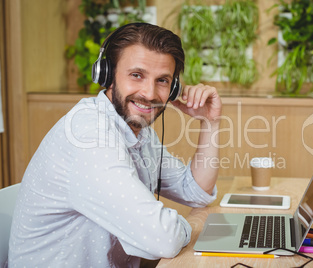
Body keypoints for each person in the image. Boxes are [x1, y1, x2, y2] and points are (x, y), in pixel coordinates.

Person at [8, 23, 221, 267]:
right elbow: (164, 238)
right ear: (107, 75)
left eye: (162, 80)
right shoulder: (89, 136)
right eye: (137, 75)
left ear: (173, 89)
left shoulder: (136, 130)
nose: (150, 93)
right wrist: (187, 224)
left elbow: (195, 191)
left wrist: (210, 122)